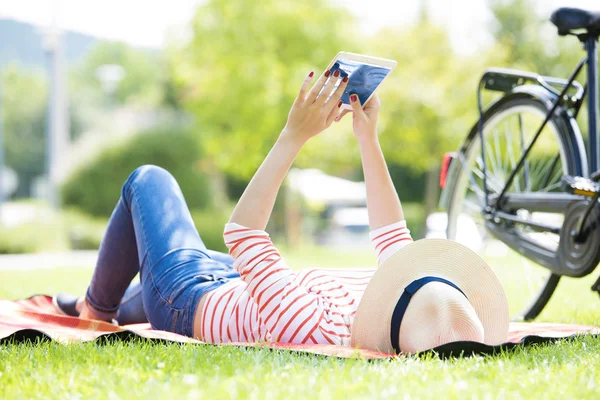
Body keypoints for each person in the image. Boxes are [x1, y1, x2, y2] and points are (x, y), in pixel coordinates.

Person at [54, 68, 510, 354]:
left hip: (190, 297)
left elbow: (243, 233)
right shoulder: (395, 300)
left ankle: (95, 308)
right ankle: (105, 298)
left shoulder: (308, 328)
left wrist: (294, 135)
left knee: (149, 180)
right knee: (184, 261)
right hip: (238, 283)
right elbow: (392, 234)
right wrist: (368, 137)